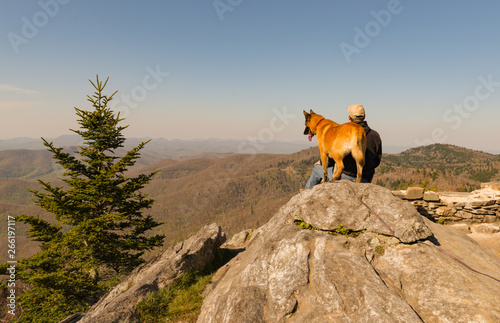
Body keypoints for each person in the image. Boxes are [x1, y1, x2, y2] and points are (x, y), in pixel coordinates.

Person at [304, 104, 382, 189]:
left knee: (317, 169)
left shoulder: (343, 131)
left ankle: (305, 196)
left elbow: (335, 153)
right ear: (364, 116)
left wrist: (322, 162)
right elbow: (377, 161)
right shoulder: (375, 135)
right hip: (366, 178)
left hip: (345, 177)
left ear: (349, 117)